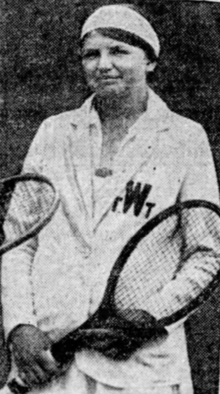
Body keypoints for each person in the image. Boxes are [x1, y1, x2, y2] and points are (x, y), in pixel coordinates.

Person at [1, 4, 220, 394]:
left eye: (119, 51)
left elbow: (207, 255)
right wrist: (19, 325)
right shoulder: (54, 132)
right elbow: (17, 242)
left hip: (141, 371)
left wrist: (150, 316)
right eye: (92, 54)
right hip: (49, 361)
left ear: (150, 61)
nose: (103, 64)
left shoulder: (186, 138)